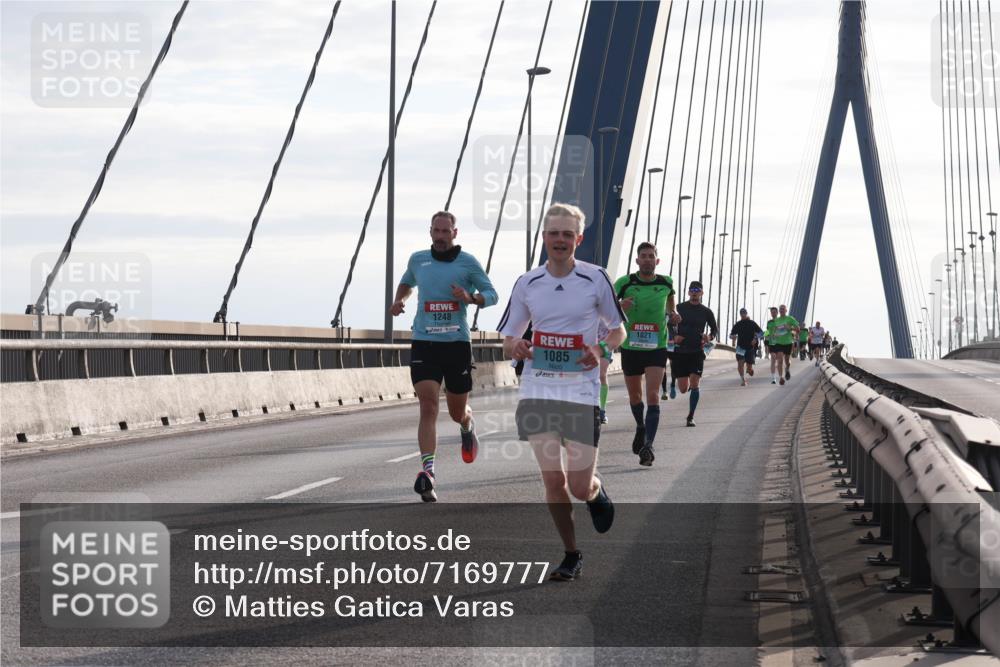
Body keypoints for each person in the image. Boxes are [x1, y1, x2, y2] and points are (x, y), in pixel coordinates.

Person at [499, 203, 626, 582]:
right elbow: (507, 338)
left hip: (581, 394)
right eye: (554, 233)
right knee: (553, 482)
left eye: (567, 234)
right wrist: (516, 347)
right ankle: (571, 553)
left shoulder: (595, 279)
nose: (560, 240)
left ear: (578, 239)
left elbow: (619, 330)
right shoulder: (528, 283)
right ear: (544, 237)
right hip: (539, 392)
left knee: (578, 484)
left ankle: (596, 492)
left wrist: (601, 350)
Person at [391, 211, 498, 502]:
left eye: (445, 231)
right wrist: (400, 299)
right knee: (427, 406)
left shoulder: (468, 263)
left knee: (455, 412)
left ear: (455, 233)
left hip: (456, 345)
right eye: (436, 231)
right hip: (425, 342)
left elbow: (492, 294)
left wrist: (470, 298)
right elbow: (406, 282)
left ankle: (467, 424)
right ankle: (428, 472)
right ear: (430, 232)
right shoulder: (418, 259)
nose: (440, 236)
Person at [614, 242, 677, 466]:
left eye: (652, 256)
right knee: (635, 397)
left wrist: (674, 313)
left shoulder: (666, 282)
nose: (648, 259)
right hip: (631, 347)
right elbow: (607, 308)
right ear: (637, 260)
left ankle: (648, 446)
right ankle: (641, 428)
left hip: (656, 347)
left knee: (652, 396)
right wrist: (621, 305)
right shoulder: (625, 282)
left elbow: (671, 301)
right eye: (644, 256)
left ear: (657, 261)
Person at [672, 281, 718, 427]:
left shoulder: (706, 311)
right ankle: (684, 384)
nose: (694, 292)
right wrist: (673, 337)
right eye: (692, 290)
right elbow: (666, 323)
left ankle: (690, 416)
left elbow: (714, 330)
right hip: (680, 351)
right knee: (683, 389)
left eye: (697, 290)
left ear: (702, 293)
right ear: (688, 292)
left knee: (695, 384)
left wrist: (709, 337)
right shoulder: (679, 308)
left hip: (697, 351)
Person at [766, 304, 799, 386]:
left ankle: (787, 369)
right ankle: (781, 378)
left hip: (788, 343)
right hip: (779, 343)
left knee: (787, 361)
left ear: (786, 310)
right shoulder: (776, 320)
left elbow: (798, 329)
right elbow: (773, 331)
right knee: (780, 360)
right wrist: (774, 334)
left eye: (783, 309)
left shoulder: (790, 318)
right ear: (779, 311)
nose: (781, 310)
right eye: (780, 309)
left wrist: (790, 328)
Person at [729, 308, 762, 386]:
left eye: (744, 313)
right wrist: (732, 337)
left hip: (750, 348)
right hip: (740, 347)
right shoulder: (738, 324)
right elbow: (731, 334)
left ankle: (749, 369)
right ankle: (743, 380)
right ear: (740, 314)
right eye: (741, 313)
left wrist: (755, 338)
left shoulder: (752, 323)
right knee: (740, 363)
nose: (743, 314)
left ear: (746, 313)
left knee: (750, 369)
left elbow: (761, 333)